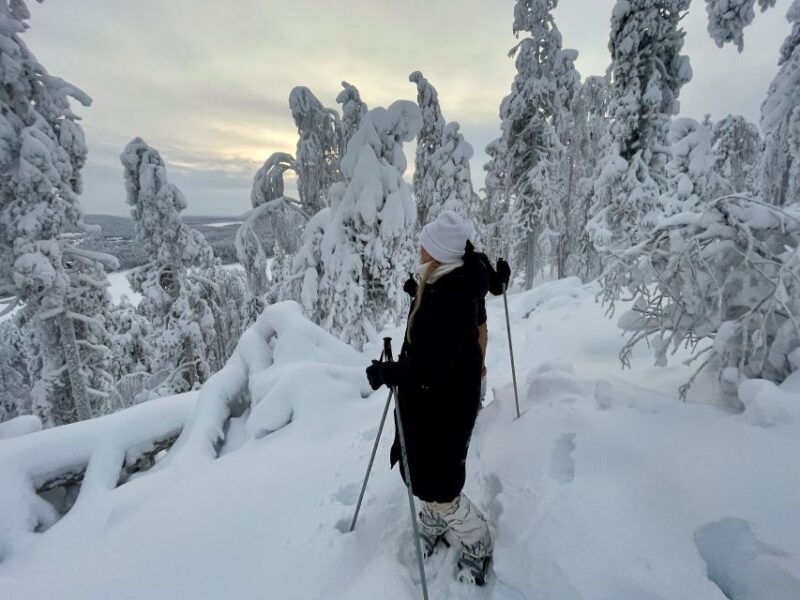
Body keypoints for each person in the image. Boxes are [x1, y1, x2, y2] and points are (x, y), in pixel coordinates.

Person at [365, 211, 499, 586]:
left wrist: (387, 373)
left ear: (439, 252)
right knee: (423, 464)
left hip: (446, 402)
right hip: (433, 399)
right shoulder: (443, 280)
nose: (419, 248)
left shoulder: (453, 300)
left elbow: (431, 368)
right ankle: (435, 516)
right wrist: (420, 298)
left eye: (425, 244)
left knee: (440, 482)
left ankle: (475, 541)